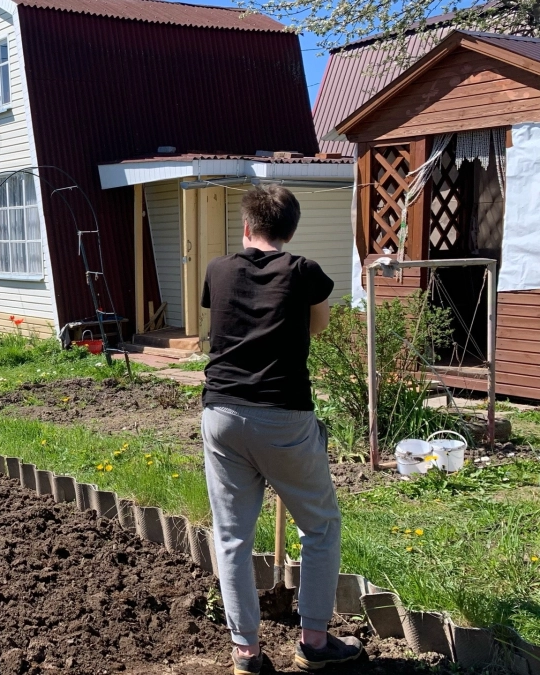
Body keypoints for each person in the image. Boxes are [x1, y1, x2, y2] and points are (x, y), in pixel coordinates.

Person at [199, 185, 364, 674]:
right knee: (319, 526)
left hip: (222, 414)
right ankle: (314, 642)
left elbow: (226, 319)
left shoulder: (217, 269)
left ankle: (245, 652)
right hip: (283, 416)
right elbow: (318, 327)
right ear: (290, 231)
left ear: (246, 227)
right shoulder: (305, 272)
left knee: (231, 537)